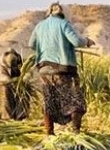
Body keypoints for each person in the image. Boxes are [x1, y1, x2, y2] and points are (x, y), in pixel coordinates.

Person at [29, 2, 95, 135]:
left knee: (49, 100)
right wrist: (87, 41)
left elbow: (31, 44)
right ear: (64, 13)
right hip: (62, 70)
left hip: (44, 70)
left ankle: (49, 133)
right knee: (75, 100)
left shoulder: (39, 26)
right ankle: (75, 133)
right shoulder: (64, 24)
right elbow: (76, 41)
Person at [0, 48, 29, 120]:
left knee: (23, 93)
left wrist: (24, 77)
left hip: (18, 80)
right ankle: (7, 117)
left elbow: (25, 71)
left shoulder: (19, 58)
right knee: (6, 93)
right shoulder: (1, 61)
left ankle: (21, 116)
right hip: (6, 82)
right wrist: (11, 80)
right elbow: (2, 76)